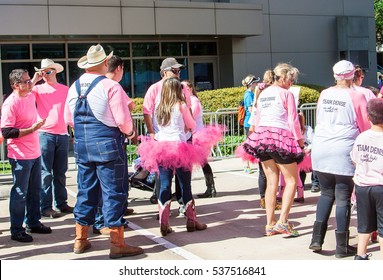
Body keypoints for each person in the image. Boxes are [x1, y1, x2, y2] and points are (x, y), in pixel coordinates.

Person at [64, 44, 143, 259]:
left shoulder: (74, 86)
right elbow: (124, 122)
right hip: (108, 145)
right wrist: (130, 132)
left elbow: (68, 120)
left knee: (86, 190)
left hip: (82, 145)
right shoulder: (111, 86)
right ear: (105, 63)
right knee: (113, 192)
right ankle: (117, 244)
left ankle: (80, 240)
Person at [309, 60, 370, 258]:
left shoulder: (325, 94)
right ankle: (341, 246)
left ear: (335, 75)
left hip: (321, 146)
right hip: (343, 148)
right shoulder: (357, 95)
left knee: (326, 194)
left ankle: (316, 239)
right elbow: (365, 125)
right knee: (343, 196)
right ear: (352, 75)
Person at [236, 63, 304, 237]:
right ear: (283, 78)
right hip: (280, 136)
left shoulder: (263, 93)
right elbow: (293, 121)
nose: (291, 82)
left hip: (262, 137)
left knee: (271, 181)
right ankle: (283, 222)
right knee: (291, 181)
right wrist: (300, 142)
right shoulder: (286, 94)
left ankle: (269, 224)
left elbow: (255, 118)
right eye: (290, 79)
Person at [138, 77, 211, 236]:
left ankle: (164, 223)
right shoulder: (181, 105)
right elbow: (192, 125)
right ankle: (191, 221)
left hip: (162, 147)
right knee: (185, 185)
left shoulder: (159, 108)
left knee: (164, 185)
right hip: (179, 146)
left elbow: (156, 128)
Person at [1, 69, 52, 243]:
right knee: (20, 193)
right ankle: (16, 229)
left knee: (35, 190)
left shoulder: (29, 95)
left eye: (30, 80)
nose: (30, 83)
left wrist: (41, 74)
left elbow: (35, 81)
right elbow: (7, 131)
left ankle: (33, 222)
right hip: (20, 155)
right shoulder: (11, 103)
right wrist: (32, 129)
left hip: (34, 152)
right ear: (16, 85)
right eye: (26, 81)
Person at [92, 55, 136, 235]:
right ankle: (109, 223)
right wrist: (131, 132)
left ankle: (101, 221)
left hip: (91, 141)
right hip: (110, 141)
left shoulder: (85, 85)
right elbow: (126, 112)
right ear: (118, 68)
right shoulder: (112, 86)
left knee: (95, 185)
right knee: (112, 185)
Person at [30, 59, 73, 219]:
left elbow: (70, 110)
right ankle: (46, 206)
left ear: (55, 71)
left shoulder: (65, 89)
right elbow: (25, 94)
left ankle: (61, 203)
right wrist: (35, 79)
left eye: (47, 72)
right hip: (44, 134)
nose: (45, 75)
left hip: (62, 134)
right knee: (45, 173)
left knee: (60, 172)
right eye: (43, 72)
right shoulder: (38, 88)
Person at [350, 98, 383, 260]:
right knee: (382, 226)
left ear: (367, 117)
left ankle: (360, 255)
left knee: (364, 224)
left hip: (362, 186)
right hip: (380, 186)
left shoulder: (361, 137)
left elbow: (355, 159)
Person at [247, 73, 281, 210]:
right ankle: (267, 200)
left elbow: (252, 125)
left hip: (260, 138)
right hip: (269, 138)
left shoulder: (258, 106)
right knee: (270, 172)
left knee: (264, 171)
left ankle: (265, 199)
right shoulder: (264, 106)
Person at [182, 80, 216, 198]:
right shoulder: (188, 101)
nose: (183, 89)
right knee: (198, 162)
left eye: (185, 87)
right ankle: (209, 188)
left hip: (197, 135)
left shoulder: (193, 101)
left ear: (190, 88)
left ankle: (210, 188)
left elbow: (190, 117)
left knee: (200, 162)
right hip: (193, 134)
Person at [277, 112, 314, 203]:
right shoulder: (303, 130)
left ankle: (281, 194)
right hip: (298, 154)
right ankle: (300, 194)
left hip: (292, 154)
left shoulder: (293, 130)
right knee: (296, 175)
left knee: (284, 173)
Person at [241, 74, 260, 173]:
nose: (257, 84)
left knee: (254, 144)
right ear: (252, 84)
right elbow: (250, 109)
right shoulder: (248, 94)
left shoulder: (252, 94)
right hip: (249, 123)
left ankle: (254, 164)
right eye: (255, 82)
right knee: (248, 144)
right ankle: (247, 165)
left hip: (252, 123)